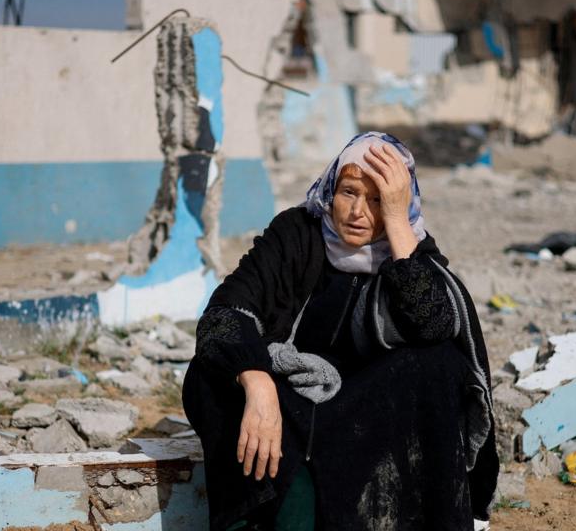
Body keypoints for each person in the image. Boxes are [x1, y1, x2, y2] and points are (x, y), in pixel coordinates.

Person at [183, 132, 498, 531]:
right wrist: (258, 383)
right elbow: (224, 312)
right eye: (349, 192)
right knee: (208, 373)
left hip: (361, 416)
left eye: (378, 199)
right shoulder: (297, 234)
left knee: (442, 364)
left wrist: (399, 225)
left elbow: (433, 324)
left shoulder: (411, 255)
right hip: (288, 404)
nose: (357, 212)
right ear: (331, 190)